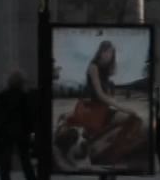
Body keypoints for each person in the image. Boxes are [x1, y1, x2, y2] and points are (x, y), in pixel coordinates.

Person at [54, 40, 149, 172]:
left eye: (111, 52)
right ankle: (110, 156)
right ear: (100, 51)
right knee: (134, 118)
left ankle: (108, 151)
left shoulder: (106, 72)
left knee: (135, 120)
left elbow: (108, 97)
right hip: (94, 110)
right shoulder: (93, 67)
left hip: (103, 109)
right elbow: (100, 95)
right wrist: (125, 108)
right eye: (106, 51)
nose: (108, 54)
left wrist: (117, 103)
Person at [0, 71, 38, 180]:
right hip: (21, 130)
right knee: (25, 157)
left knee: (5, 158)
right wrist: (31, 130)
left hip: (6, 130)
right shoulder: (24, 96)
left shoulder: (3, 95)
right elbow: (29, 115)